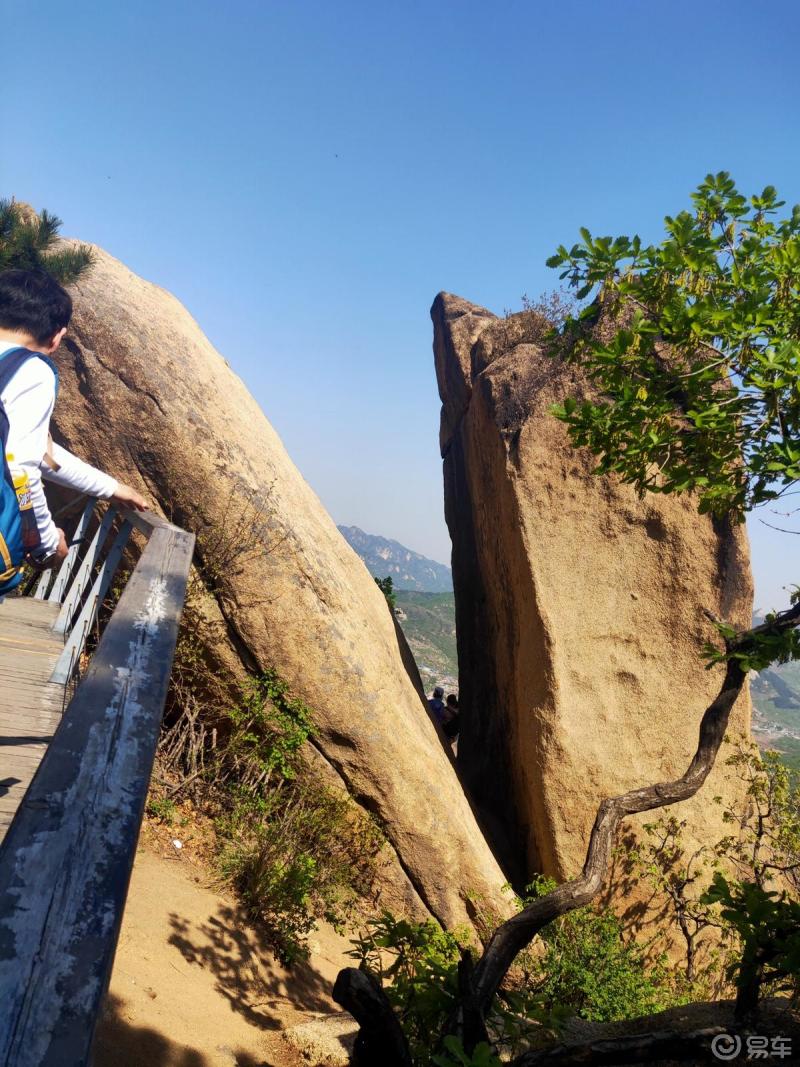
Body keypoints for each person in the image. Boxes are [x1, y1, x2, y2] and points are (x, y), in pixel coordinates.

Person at [0, 269, 146, 575]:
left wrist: (109, 486)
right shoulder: (29, 371)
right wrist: (46, 541)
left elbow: (36, 450)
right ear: (57, 336)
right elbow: (20, 465)